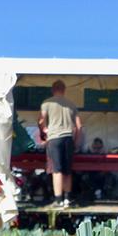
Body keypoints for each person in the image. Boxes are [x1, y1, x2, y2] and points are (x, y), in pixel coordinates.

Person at [38, 80, 82, 208]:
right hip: (68, 138)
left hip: (54, 138)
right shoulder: (72, 104)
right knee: (67, 170)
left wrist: (45, 130)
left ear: (53, 90)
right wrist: (76, 141)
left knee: (57, 170)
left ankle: (58, 200)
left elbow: (41, 120)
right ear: (64, 90)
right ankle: (67, 199)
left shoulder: (47, 103)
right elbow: (79, 126)